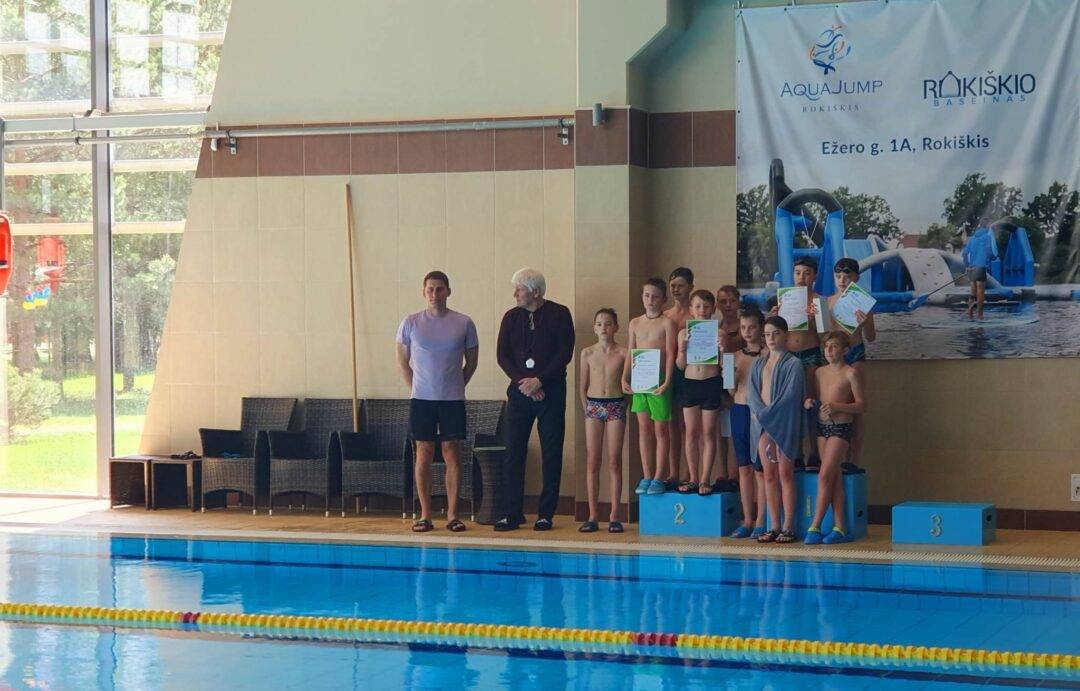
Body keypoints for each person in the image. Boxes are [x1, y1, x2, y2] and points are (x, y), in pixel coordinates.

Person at [395, 271, 479, 533]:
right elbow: (402, 363)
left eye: (439, 289)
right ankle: (425, 515)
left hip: (452, 399)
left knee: (452, 451)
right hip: (422, 399)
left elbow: (472, 362)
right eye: (430, 289)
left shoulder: (464, 323)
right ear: (423, 292)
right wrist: (417, 388)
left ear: (448, 291)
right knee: (424, 452)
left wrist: (456, 386)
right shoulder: (410, 322)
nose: (434, 294)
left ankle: (453, 515)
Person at [494, 268, 575, 532]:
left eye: (519, 289)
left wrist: (540, 380)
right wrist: (525, 383)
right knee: (513, 451)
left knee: (551, 452)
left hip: (551, 392)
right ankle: (512, 513)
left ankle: (545, 514)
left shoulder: (559, 314)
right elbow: (503, 356)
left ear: (536, 292)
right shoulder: (510, 317)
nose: (515, 294)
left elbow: (564, 353)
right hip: (520, 392)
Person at [747, 316, 805, 545]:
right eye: (767, 334)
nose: (771, 338)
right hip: (763, 426)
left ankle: (788, 526)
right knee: (768, 475)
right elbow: (752, 394)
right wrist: (762, 415)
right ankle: (774, 525)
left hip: (783, 424)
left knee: (785, 474)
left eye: (776, 333)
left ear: (785, 335)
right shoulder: (758, 364)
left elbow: (790, 396)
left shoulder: (794, 364)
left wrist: (767, 414)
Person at [804, 331, 865, 545]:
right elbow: (814, 398)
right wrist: (809, 403)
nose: (829, 350)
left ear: (845, 350)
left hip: (841, 429)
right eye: (826, 346)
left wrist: (838, 406)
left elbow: (862, 405)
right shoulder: (819, 372)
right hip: (822, 428)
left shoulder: (851, 373)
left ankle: (815, 525)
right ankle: (840, 527)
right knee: (834, 478)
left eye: (834, 346)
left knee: (823, 476)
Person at [623, 278, 677, 496]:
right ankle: (647, 475)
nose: (650, 300)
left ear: (663, 299)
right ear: (642, 297)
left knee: (660, 429)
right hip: (640, 381)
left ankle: (659, 476)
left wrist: (667, 381)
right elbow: (630, 351)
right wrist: (624, 378)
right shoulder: (635, 323)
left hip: (659, 381)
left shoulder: (667, 323)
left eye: (655, 296)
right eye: (647, 295)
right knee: (643, 429)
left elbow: (671, 354)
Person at [578, 308, 628, 534]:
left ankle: (615, 515)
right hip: (593, 406)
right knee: (593, 461)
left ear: (616, 327)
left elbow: (628, 384)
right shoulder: (587, 353)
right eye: (599, 324)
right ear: (594, 328)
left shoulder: (624, 353)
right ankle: (592, 515)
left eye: (608, 324)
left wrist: (624, 404)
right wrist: (587, 410)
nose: (603, 328)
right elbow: (582, 386)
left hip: (616, 404)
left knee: (615, 460)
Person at [674, 290, 724, 496]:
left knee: (709, 433)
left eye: (706, 306)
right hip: (690, 383)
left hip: (711, 383)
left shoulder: (719, 333)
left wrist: (723, 351)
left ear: (713, 309)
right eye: (698, 306)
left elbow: (724, 367)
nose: (702, 310)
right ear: (691, 309)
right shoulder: (683, 333)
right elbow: (679, 366)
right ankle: (693, 478)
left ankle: (705, 479)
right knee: (691, 432)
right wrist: (682, 350)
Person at [827, 258, 875, 467]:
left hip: (855, 354)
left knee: (857, 409)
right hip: (834, 357)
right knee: (835, 404)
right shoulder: (828, 302)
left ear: (857, 278)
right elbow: (823, 335)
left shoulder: (864, 303)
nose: (842, 280)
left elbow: (871, 337)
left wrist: (864, 324)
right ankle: (837, 457)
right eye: (838, 276)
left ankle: (854, 460)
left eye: (847, 277)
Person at [727, 308, 767, 538]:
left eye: (752, 327)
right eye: (743, 328)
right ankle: (747, 520)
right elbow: (730, 391)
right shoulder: (734, 357)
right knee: (743, 468)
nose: (747, 332)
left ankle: (761, 520)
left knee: (760, 469)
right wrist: (731, 377)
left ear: (761, 328)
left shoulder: (768, 355)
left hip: (759, 413)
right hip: (739, 410)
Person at [663, 267, 694, 486]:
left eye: (680, 285)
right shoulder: (665, 316)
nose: (676, 289)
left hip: (690, 372)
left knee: (689, 427)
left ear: (691, 287)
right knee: (671, 424)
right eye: (672, 285)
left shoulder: (697, 315)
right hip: (669, 371)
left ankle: (689, 473)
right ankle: (673, 472)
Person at [714, 285, 744, 491]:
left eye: (732, 300)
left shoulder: (745, 327)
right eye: (723, 301)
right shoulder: (713, 329)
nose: (728, 305)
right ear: (717, 305)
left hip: (740, 380)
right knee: (719, 431)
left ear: (738, 302)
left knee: (735, 431)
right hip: (719, 380)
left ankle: (735, 474)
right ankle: (722, 473)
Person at [961, 220, 998, 320]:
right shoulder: (987, 237)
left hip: (972, 269)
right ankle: (980, 316)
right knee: (980, 292)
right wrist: (994, 257)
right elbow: (989, 252)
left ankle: (970, 316)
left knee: (972, 294)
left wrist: (967, 266)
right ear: (987, 225)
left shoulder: (972, 238)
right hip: (980, 268)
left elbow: (964, 253)